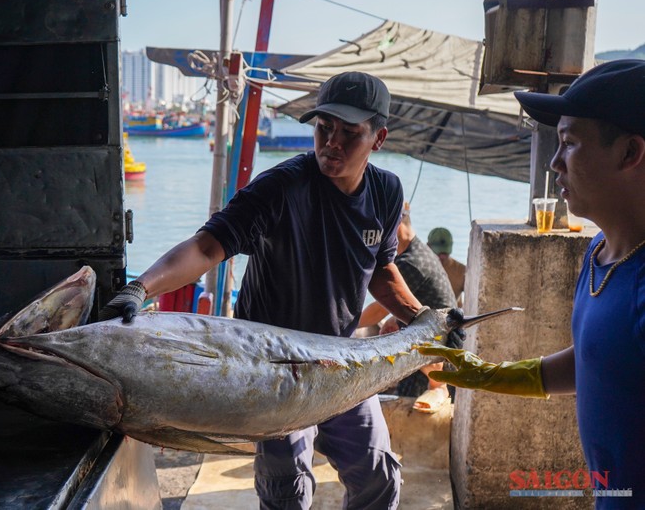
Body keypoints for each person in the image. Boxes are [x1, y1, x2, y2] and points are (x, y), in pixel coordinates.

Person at [101, 71, 426, 510]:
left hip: (342, 359)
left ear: (378, 138)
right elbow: (207, 246)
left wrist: (421, 319)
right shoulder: (282, 187)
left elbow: (379, 268)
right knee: (287, 491)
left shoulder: (386, 192)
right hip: (274, 366)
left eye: (350, 133)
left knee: (378, 477)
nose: (332, 143)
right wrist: (141, 288)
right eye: (324, 128)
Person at [419, 59, 645, 508]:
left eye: (569, 143)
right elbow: (600, 361)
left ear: (629, 153)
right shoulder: (599, 252)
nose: (556, 162)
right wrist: (489, 375)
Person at [358, 204, 461, 413]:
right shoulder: (419, 250)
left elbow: (377, 311)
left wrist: (342, 325)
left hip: (438, 360)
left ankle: (438, 389)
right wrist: (394, 320)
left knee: (405, 401)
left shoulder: (412, 263)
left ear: (395, 226)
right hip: (435, 344)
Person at [426, 227, 467, 306]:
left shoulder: (462, 271)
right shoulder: (419, 267)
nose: (442, 257)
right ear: (428, 247)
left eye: (445, 253)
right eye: (438, 253)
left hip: (452, 312)